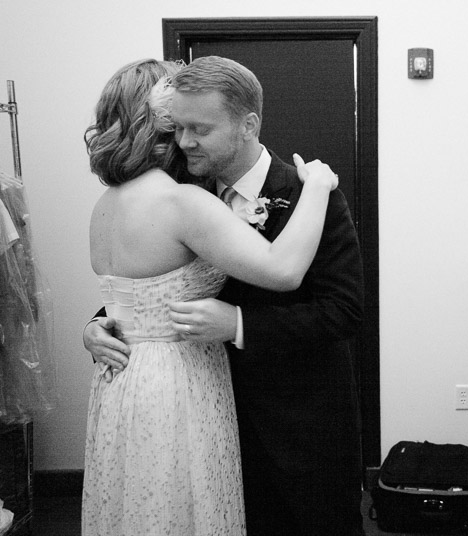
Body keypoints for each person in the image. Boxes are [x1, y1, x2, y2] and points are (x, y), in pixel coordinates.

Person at [84, 56, 366, 535]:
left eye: (200, 128)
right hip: (202, 415)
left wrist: (238, 325)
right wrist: (99, 324)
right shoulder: (182, 192)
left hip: (298, 423)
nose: (185, 141)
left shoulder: (308, 197)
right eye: (179, 127)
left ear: (247, 125)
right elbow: (157, 280)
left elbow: (343, 311)